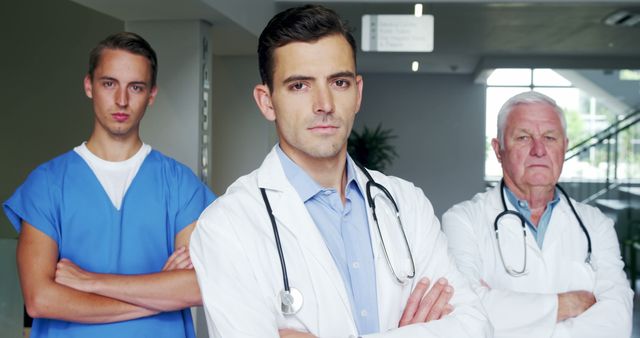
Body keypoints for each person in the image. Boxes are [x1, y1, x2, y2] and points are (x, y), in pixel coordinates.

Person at [190, 5, 491, 338]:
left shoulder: (406, 204)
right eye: (299, 86)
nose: (324, 104)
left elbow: (474, 327)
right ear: (267, 102)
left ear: (358, 93)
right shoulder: (227, 225)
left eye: (339, 82)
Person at [3, 32, 216, 338]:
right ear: (89, 85)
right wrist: (159, 296)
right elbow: (40, 299)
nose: (121, 100)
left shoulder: (180, 185)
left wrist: (91, 281)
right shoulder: (47, 184)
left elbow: (197, 287)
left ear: (151, 94)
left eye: (136, 87)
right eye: (109, 83)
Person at [442, 91, 633, 337]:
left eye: (550, 137)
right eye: (523, 137)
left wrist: (506, 314)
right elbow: (464, 314)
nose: (539, 150)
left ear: (564, 146)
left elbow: (618, 321)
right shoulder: (463, 220)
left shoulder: (595, 223)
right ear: (499, 149)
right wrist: (569, 304)